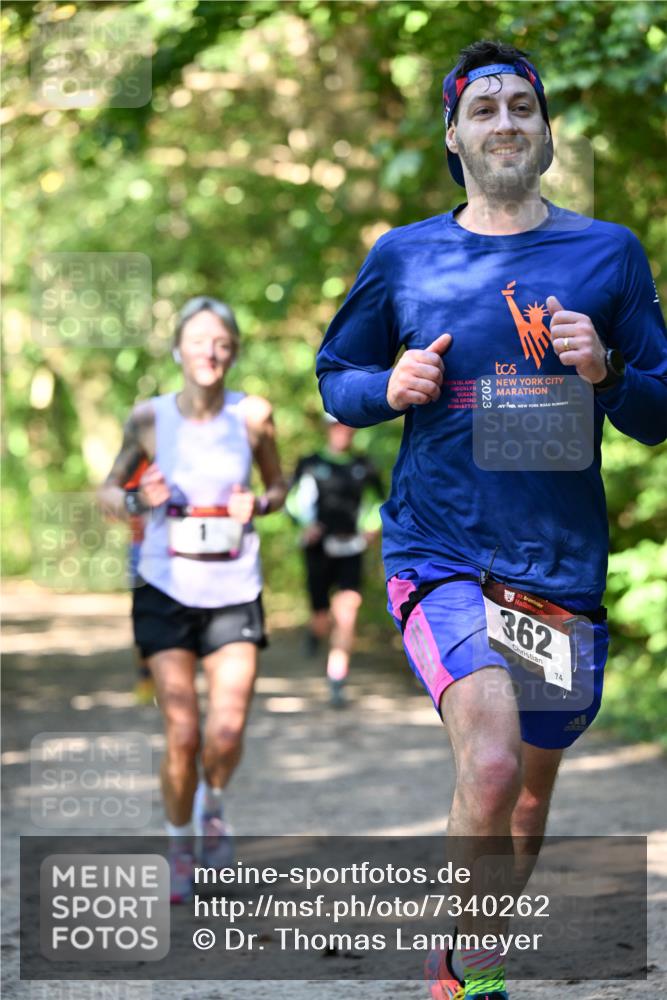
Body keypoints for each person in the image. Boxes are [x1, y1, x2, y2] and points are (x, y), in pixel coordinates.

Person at [316, 39, 667, 1000]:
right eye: (485, 109)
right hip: (439, 551)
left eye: (522, 106)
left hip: (556, 560)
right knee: (493, 756)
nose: (505, 121)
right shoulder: (403, 256)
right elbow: (333, 382)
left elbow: (658, 411)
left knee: (523, 800)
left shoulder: (607, 254)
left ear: (545, 133)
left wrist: (606, 371)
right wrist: (387, 384)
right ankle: (463, 973)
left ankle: (484, 943)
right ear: (453, 135)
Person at [99, 296, 287, 903]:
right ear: (178, 349)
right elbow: (109, 491)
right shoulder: (148, 419)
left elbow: (279, 485)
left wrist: (258, 503)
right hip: (164, 587)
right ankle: (180, 844)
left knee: (225, 733)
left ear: (232, 351)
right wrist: (135, 499)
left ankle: (213, 808)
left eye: (222, 342)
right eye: (198, 340)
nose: (209, 351)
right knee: (183, 732)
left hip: (234, 588)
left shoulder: (254, 414)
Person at [286, 414, 384, 706]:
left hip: (351, 547)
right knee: (321, 617)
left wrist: (372, 526)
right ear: (328, 428)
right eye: (336, 425)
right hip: (318, 549)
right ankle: (315, 631)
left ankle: (337, 677)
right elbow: (290, 501)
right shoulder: (310, 463)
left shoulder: (363, 466)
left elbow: (380, 502)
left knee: (348, 608)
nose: (342, 431)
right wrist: (305, 526)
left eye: (347, 425)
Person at [123, 458, 155, 705]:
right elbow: (117, 502)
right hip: (141, 548)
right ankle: (146, 677)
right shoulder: (136, 461)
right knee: (144, 614)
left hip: (185, 553)